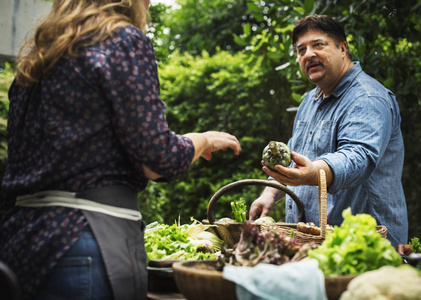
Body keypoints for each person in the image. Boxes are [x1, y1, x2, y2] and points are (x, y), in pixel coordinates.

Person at [0, 0, 241, 299]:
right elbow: (157, 159)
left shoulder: (36, 59)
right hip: (82, 241)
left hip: (20, 242)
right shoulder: (121, 39)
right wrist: (203, 139)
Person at [249, 14, 408, 248]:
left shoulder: (367, 98)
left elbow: (358, 157)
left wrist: (315, 173)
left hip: (364, 246)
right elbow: (293, 156)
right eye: (301, 50)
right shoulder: (309, 102)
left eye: (318, 45)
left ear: (342, 48)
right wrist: (270, 194)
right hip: (313, 245)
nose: (308, 54)